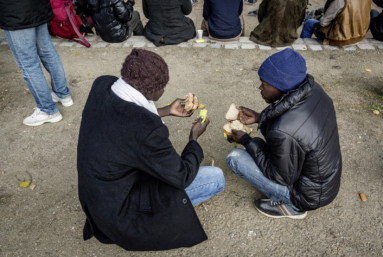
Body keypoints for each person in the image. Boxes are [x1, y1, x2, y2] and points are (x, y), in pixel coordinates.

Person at [77, 49, 225, 251]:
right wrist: (194, 139)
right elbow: (182, 176)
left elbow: (124, 115)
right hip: (120, 213)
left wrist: (165, 110)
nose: (163, 91)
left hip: (97, 200)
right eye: (162, 87)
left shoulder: (102, 85)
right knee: (216, 178)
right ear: (152, 90)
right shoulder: (147, 130)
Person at [226, 49, 342, 219]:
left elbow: (280, 176)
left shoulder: (284, 129)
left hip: (307, 196)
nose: (260, 87)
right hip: (326, 183)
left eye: (264, 84)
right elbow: (293, 129)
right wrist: (260, 118)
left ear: (281, 85)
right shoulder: (314, 90)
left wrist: (246, 140)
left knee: (235, 157)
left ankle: (292, 206)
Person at [0, 0, 73, 126]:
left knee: (28, 63)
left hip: (15, 12)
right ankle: (62, 94)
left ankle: (48, 110)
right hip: (37, 6)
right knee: (47, 52)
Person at [300, 0, 371, 46]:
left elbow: (323, 23)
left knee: (308, 23)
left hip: (341, 39)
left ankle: (302, 46)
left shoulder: (340, 1)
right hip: (359, 36)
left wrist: (320, 16)